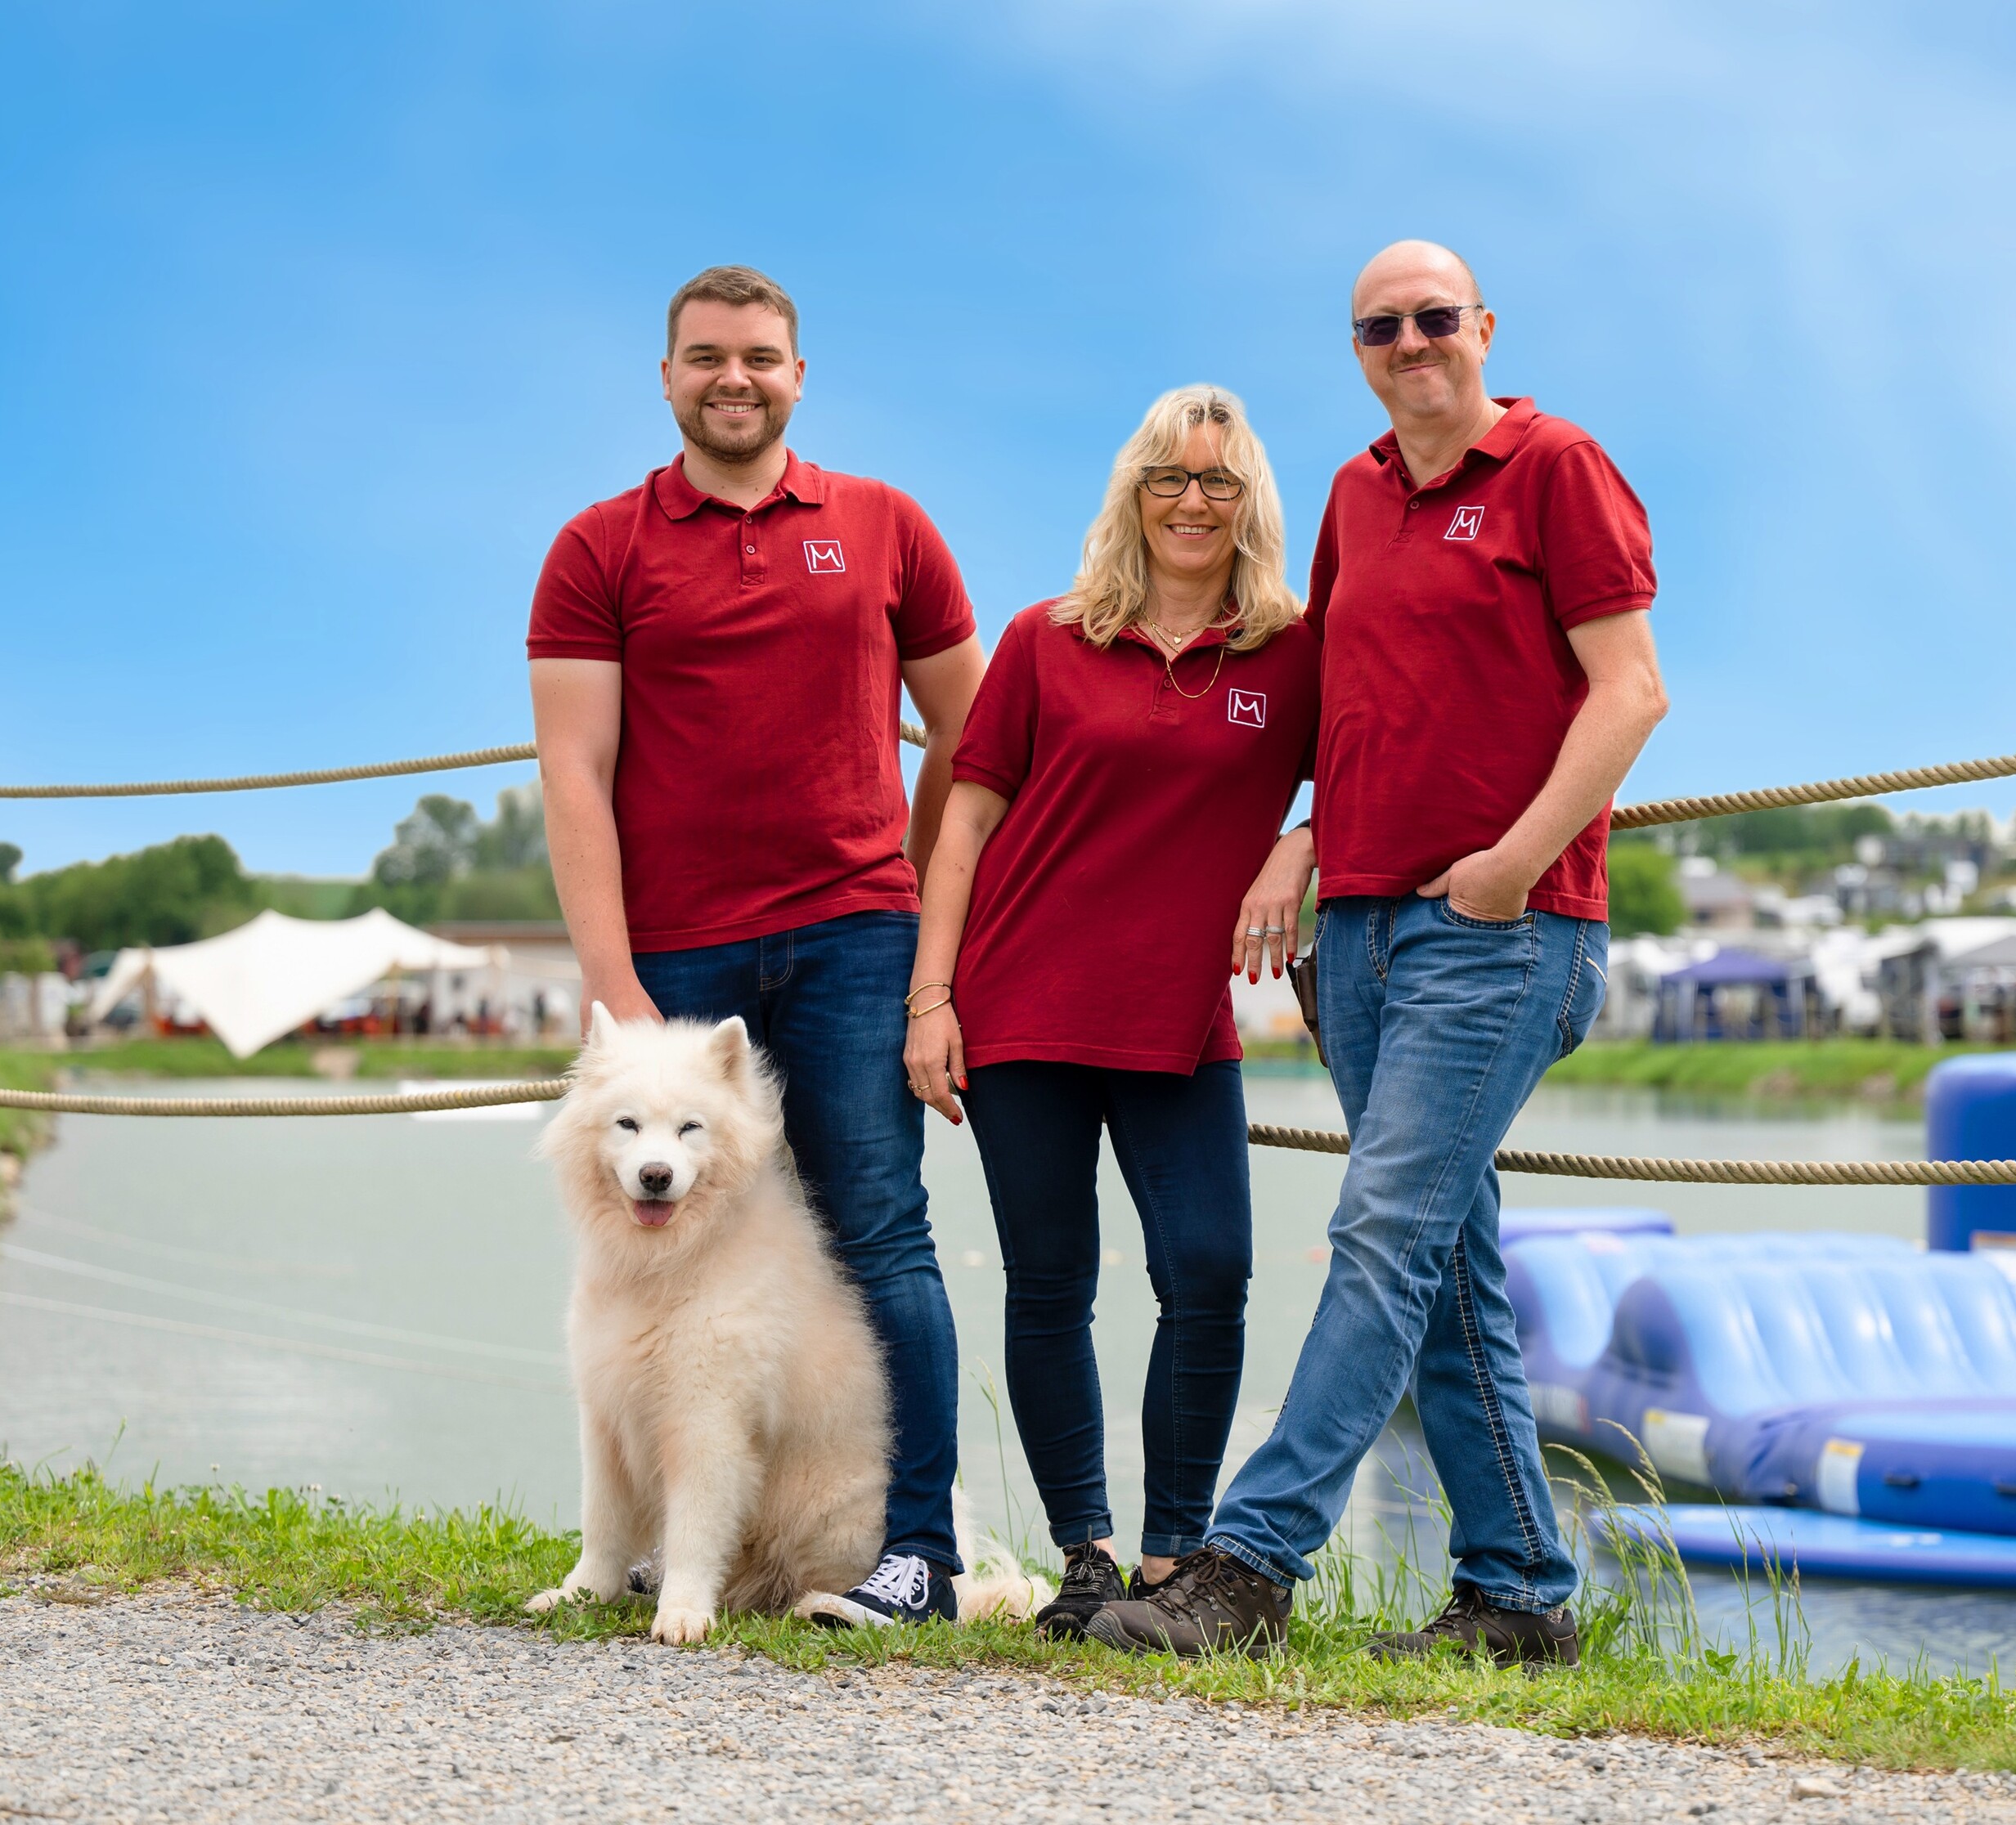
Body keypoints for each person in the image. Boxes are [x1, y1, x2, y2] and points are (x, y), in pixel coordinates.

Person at [1088, 241, 1669, 1666]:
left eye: (1430, 319)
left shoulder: (1558, 469)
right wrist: (1298, 836)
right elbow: (1348, 690)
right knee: (1442, 1267)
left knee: (1377, 1236)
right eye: (1377, 328)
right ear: (1356, 351)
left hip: (1500, 932)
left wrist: (1511, 869)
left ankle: (1248, 1565)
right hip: (1353, 935)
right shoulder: (1353, 493)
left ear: (1480, 326)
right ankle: (1521, 1595)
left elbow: (1632, 690)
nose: (1408, 343)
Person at [528, 265, 986, 1625]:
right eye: (707, 356)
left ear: (800, 374)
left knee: (880, 1239)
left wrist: (903, 885)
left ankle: (917, 1557)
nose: (736, 378)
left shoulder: (885, 524)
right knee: (643, 1251)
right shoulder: (597, 548)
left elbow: (974, 734)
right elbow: (574, 775)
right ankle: (641, 1544)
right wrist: (615, 994)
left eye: (762, 358)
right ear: (666, 376)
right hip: (676, 962)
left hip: (855, 939)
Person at [904, 386, 1319, 1639]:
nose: (1192, 503)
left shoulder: (1293, 652)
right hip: (1022, 998)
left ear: (1249, 503)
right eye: (1168, 479)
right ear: (1131, 496)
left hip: (1180, 1017)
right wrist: (932, 996)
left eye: (1218, 481)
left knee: (1210, 1272)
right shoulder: (1046, 638)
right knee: (1051, 1282)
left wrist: (1297, 845)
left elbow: (1371, 774)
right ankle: (1084, 1553)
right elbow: (965, 821)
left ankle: (1173, 1556)